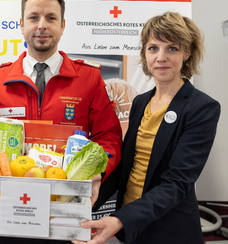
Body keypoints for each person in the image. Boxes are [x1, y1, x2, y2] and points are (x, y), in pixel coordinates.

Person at [0, 0, 122, 243]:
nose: (42, 25)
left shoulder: (89, 78)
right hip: (11, 211)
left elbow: (110, 136)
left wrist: (96, 173)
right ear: (21, 24)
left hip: (67, 209)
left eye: (50, 18)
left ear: (62, 25)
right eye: (33, 17)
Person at [73, 12, 221, 244]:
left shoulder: (202, 108)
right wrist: (91, 188)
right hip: (132, 228)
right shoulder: (140, 102)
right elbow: (127, 165)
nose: (160, 57)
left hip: (169, 230)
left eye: (171, 48)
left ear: (187, 52)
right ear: (144, 53)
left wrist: (121, 218)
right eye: (153, 48)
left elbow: (178, 183)